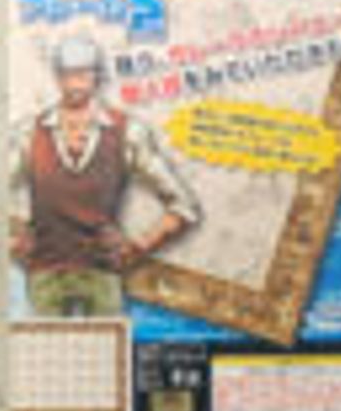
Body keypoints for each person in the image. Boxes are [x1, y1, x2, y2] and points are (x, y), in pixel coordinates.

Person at [11, 34, 200, 316]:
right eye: (68, 74)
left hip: (102, 274)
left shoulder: (128, 132)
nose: (75, 83)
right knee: (43, 343)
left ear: (97, 76)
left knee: (106, 343)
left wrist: (139, 248)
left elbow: (184, 206)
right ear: (58, 77)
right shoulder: (29, 133)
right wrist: (13, 240)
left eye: (83, 73)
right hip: (45, 274)